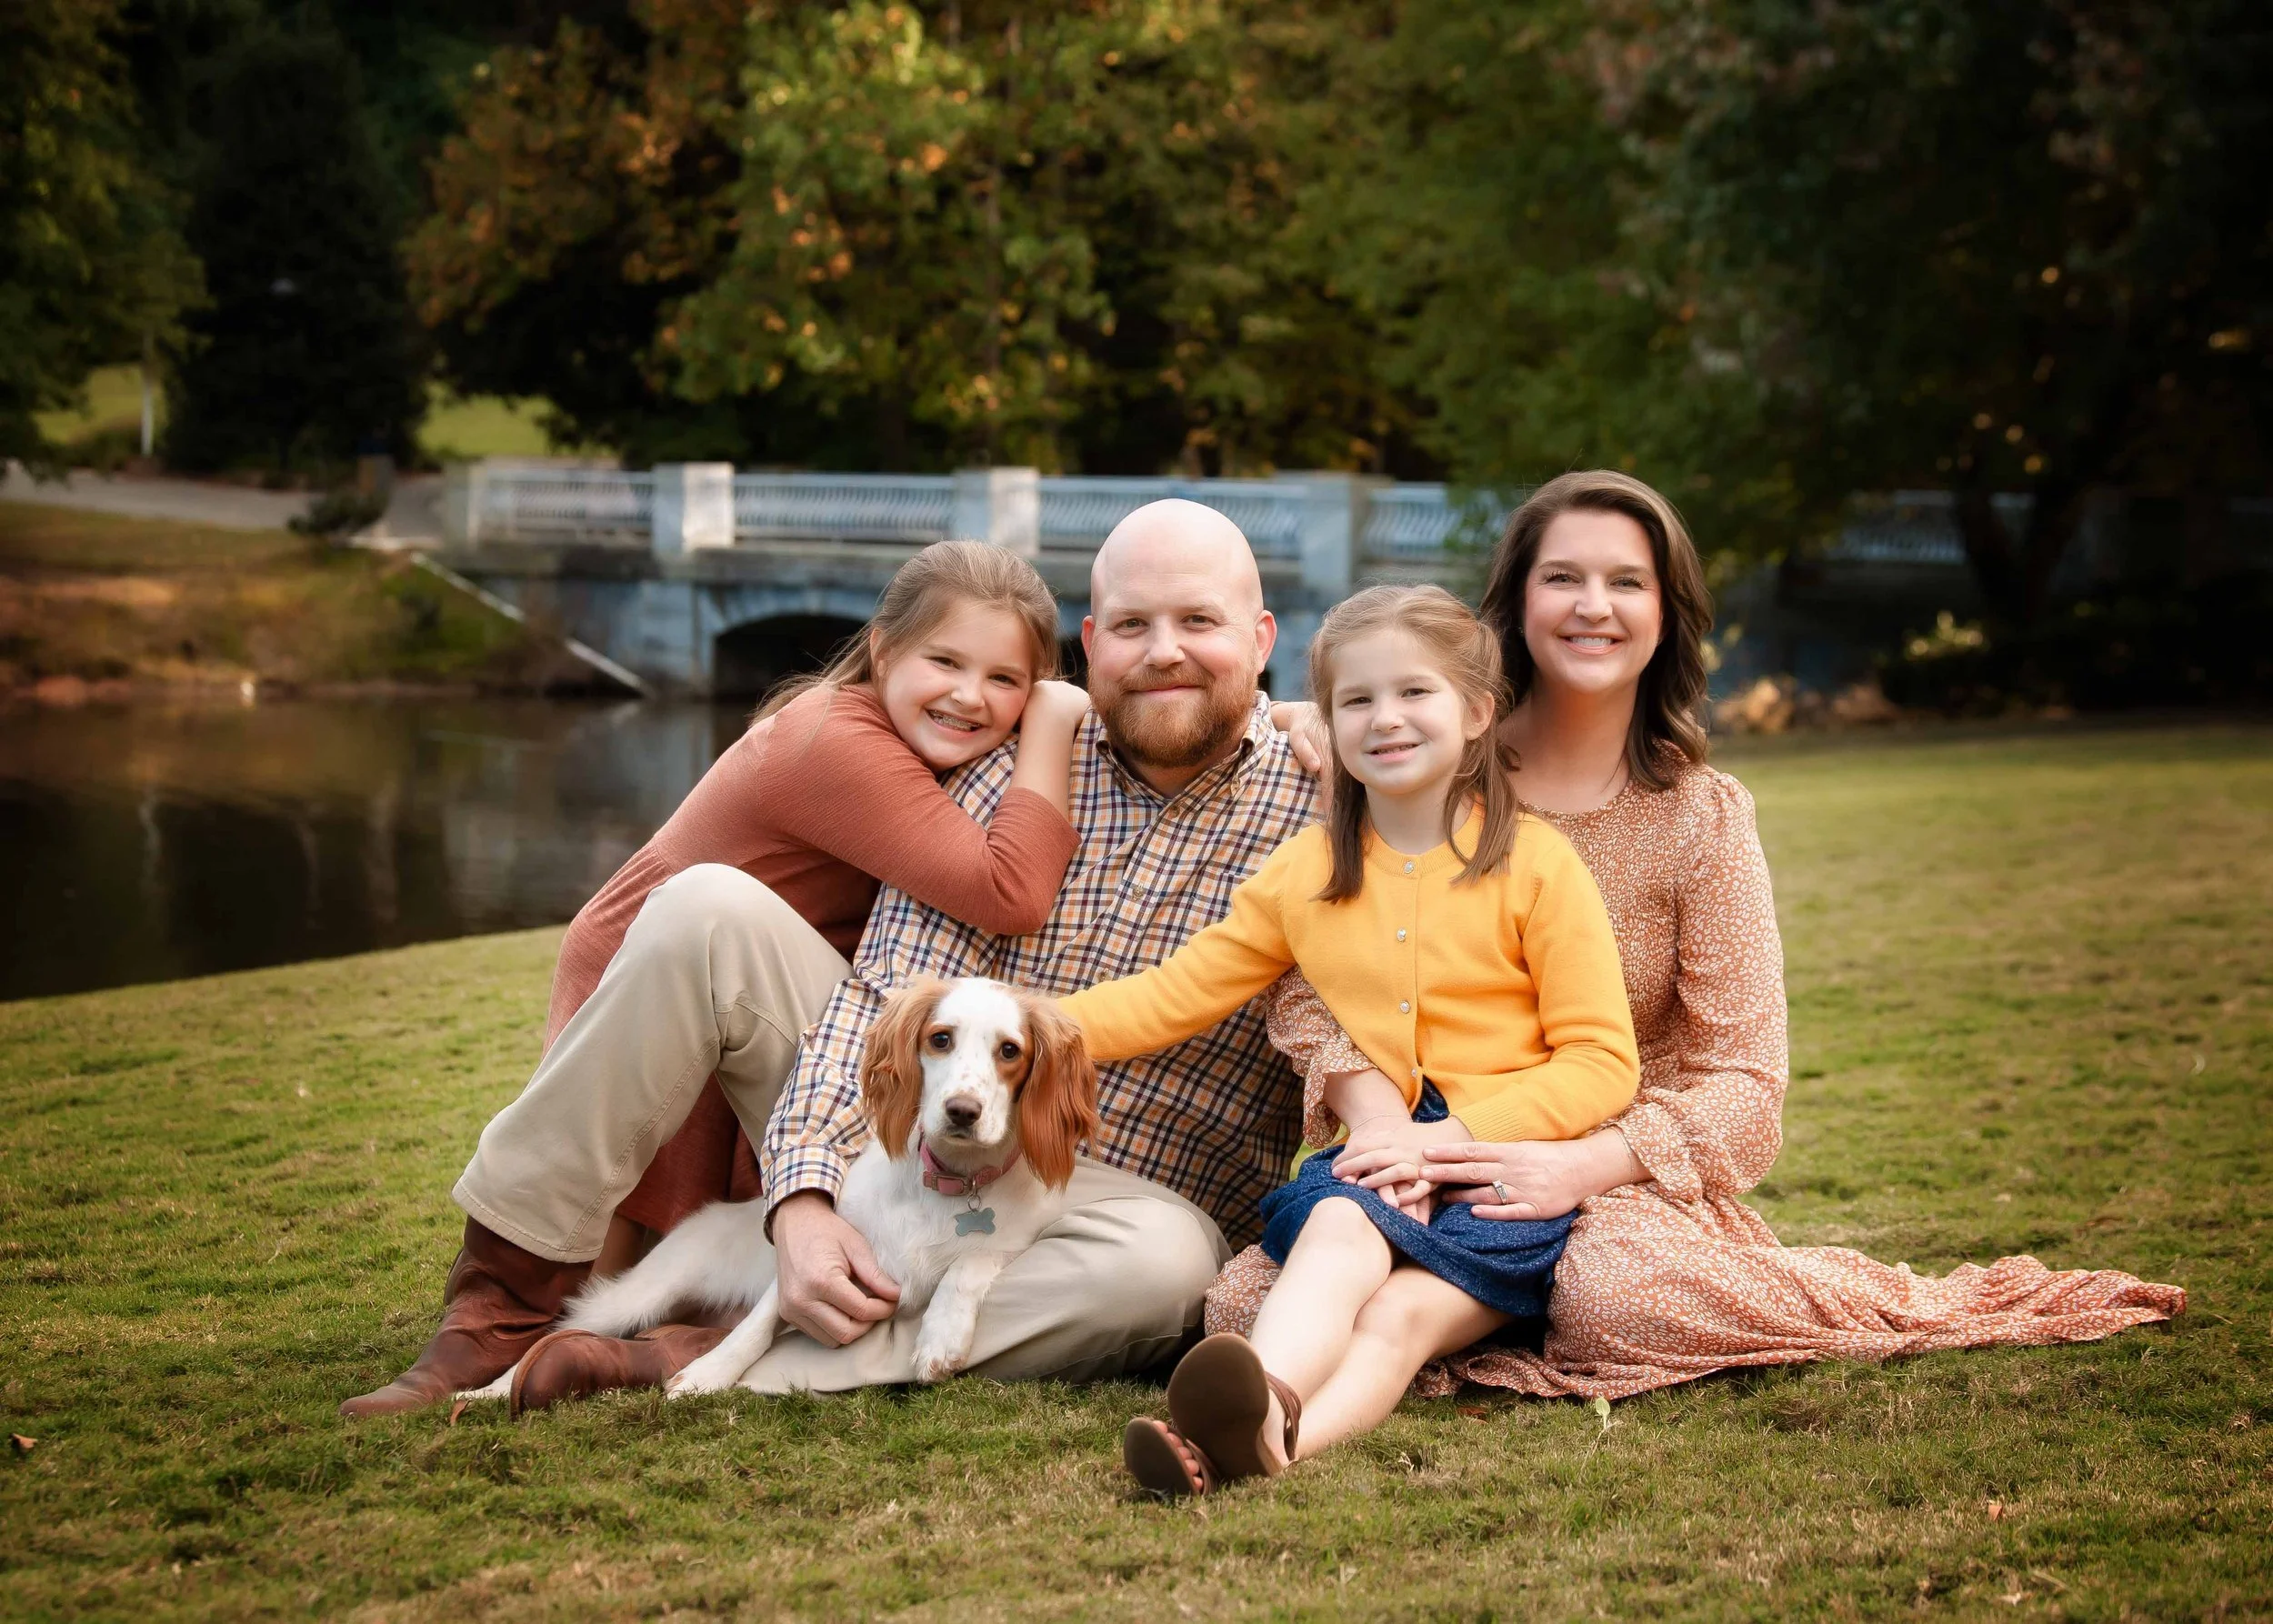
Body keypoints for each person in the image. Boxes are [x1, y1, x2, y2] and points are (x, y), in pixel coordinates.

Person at [1224, 469, 2185, 1401]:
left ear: (1664, 614)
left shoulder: (1700, 817)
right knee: (1238, 1309)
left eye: (1626, 582)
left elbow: (1745, 1084)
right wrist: (1387, 1129)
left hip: (1617, 1178)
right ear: (1511, 606)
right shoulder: (1416, 758)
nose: (1592, 605)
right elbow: (1311, 973)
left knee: (1616, 1298)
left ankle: (1473, 1319)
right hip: (1429, 1150)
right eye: (1562, 577)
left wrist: (1573, 1166)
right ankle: (1417, 1326)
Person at [340, 499, 1317, 1414]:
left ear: (1263, 640)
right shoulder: (1011, 768)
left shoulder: (1329, 807)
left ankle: (699, 1355)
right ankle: (500, 1305)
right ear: (1090, 645)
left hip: (1116, 1199)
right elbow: (879, 992)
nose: (1164, 652)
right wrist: (803, 1199)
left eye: (1199, 622)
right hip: (913, 1144)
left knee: (1162, 1268)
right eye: (1133, 625)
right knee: (703, 907)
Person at [1046, 586, 1640, 1496]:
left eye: (1414, 693)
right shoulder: (1303, 875)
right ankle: (1265, 1412)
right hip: (1372, 1161)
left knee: (1402, 1317)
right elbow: (1177, 992)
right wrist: (1036, 1025)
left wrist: (1445, 1141)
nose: (1385, 719)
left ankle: (1270, 1430)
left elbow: (1602, 1062)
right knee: (1336, 1225)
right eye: (1356, 700)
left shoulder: (1538, 866)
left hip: (1503, 1168)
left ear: (1476, 711)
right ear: (1326, 722)